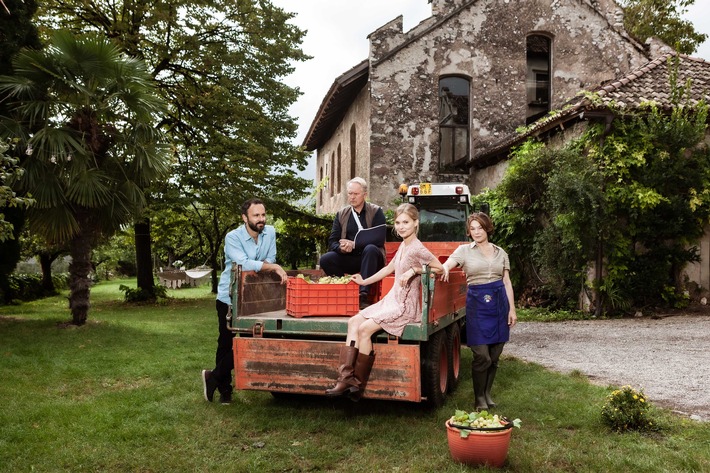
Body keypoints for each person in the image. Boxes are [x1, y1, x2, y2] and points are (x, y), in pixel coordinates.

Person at [325, 203, 444, 400]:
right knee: (353, 322)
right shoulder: (403, 246)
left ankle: (358, 385)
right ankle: (345, 378)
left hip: (405, 305)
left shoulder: (417, 248)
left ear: (416, 223)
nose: (401, 226)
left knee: (364, 330)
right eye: (397, 222)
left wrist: (415, 270)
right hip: (392, 299)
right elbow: (388, 269)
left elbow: (439, 268)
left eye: (406, 222)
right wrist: (364, 280)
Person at [201, 198, 287, 404]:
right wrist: (272, 267)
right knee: (226, 342)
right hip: (229, 297)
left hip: (256, 298)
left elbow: (269, 258)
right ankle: (225, 390)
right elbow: (243, 263)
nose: (261, 219)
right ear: (244, 217)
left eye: (263, 215)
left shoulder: (271, 232)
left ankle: (212, 377)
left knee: (253, 340)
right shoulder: (233, 237)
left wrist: (269, 265)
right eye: (256, 215)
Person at [441, 212, 517, 411]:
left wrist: (512, 310)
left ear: (487, 228)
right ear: (469, 231)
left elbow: (507, 282)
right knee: (482, 355)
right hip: (477, 305)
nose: (476, 232)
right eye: (472, 228)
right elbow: (448, 264)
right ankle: (478, 398)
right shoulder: (464, 251)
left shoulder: (501, 252)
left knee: (495, 353)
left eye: (480, 228)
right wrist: (446, 268)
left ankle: (487, 394)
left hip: (499, 303)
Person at [319, 177, 386, 310]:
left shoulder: (376, 211)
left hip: (372, 259)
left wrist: (354, 244)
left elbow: (379, 238)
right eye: (350, 193)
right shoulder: (341, 214)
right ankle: (345, 289)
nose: (352, 197)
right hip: (350, 257)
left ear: (364, 195)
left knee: (371, 248)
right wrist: (342, 248)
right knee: (326, 259)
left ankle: (363, 295)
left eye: (356, 194)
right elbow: (332, 242)